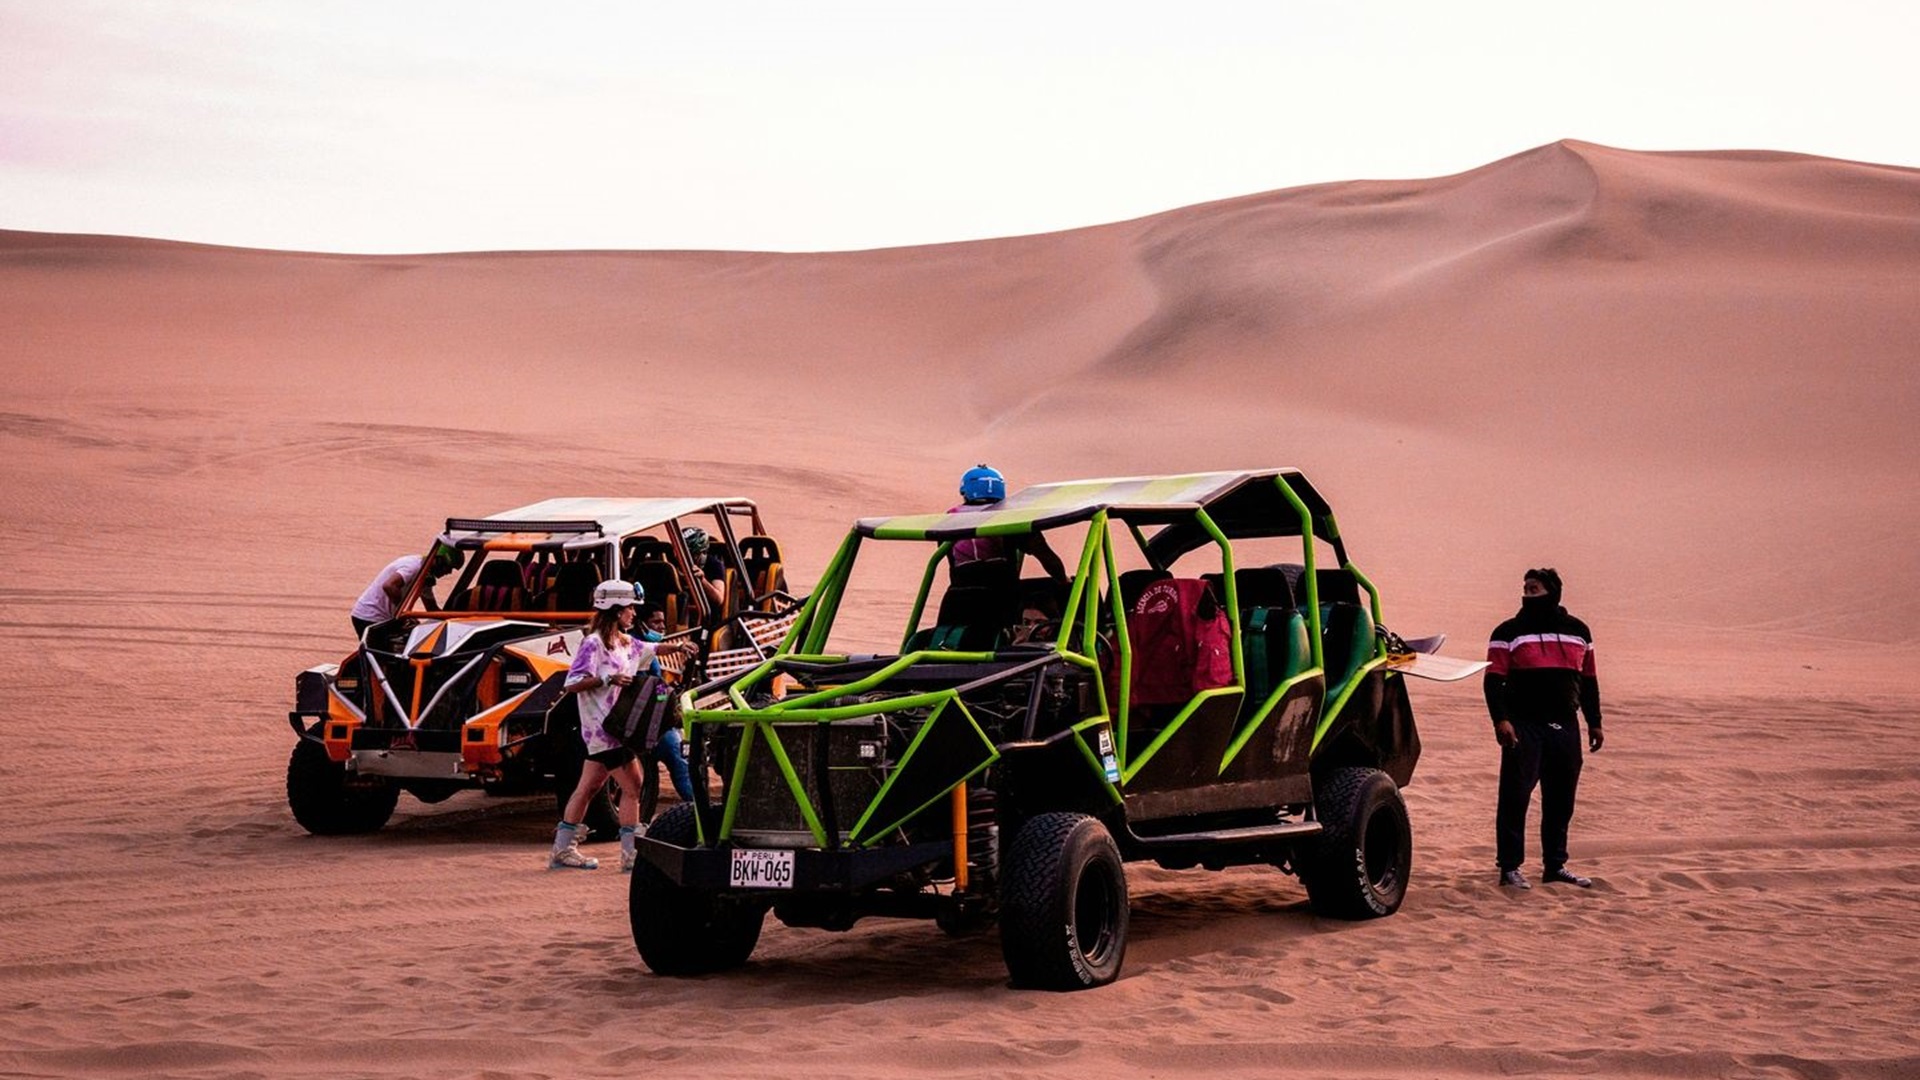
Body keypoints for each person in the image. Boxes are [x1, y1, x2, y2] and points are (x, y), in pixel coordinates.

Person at [1484, 567, 1604, 889]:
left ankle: (1555, 866)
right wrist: (1501, 719)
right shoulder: (1508, 631)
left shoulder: (1578, 630)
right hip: (1524, 725)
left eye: (1534, 587)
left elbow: (1589, 680)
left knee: (1560, 799)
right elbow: (1493, 681)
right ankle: (1509, 867)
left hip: (1564, 725)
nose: (1527, 592)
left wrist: (1595, 722)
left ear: (1552, 591)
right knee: (1515, 797)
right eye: (1525, 587)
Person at [549, 580, 663, 872]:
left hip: (609, 731)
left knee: (587, 787)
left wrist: (680, 646)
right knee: (635, 785)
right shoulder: (593, 644)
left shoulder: (624, 641)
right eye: (629, 608)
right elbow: (573, 683)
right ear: (615, 610)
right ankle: (630, 855)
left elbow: (650, 648)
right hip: (605, 730)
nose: (633, 614)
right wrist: (606, 679)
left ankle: (563, 850)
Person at [946, 464, 1068, 589]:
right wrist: (1064, 581)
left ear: (965, 491)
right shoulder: (1009, 517)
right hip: (1002, 593)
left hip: (958, 594)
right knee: (1043, 594)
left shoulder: (950, 518)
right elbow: (1046, 556)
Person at [633, 603, 698, 824]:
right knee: (678, 761)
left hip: (633, 721)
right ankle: (701, 814)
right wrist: (669, 704)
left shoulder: (623, 641)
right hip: (651, 722)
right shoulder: (638, 647)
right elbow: (658, 687)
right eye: (655, 622)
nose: (661, 627)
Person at [350, 542, 462, 636]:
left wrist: (454, 622)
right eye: (448, 567)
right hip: (370, 616)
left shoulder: (426, 575)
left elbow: (431, 608)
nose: (448, 573)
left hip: (386, 618)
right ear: (438, 560)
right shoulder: (413, 567)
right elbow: (389, 586)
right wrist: (404, 614)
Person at [680, 526, 731, 625]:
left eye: (691, 554)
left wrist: (702, 580)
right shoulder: (673, 564)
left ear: (702, 552)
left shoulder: (715, 565)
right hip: (682, 612)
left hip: (708, 616)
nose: (684, 558)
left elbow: (719, 599)